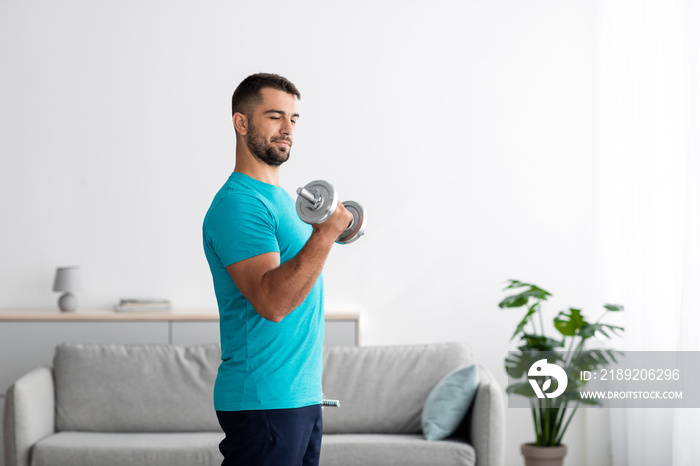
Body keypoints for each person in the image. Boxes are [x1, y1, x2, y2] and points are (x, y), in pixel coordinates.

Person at [202, 73, 352, 466]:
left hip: (298, 397)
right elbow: (272, 302)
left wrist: (326, 232)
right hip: (265, 401)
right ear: (242, 122)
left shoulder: (284, 201)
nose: (288, 129)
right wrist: (325, 235)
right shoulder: (241, 204)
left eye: (294, 118)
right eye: (274, 116)